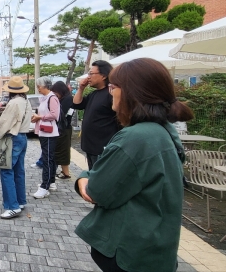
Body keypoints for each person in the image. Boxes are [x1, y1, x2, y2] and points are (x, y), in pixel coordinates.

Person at [75, 58, 193, 272]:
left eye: (114, 87)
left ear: (131, 92)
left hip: (130, 252)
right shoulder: (164, 130)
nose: (111, 92)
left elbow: (98, 191)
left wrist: (83, 177)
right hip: (156, 248)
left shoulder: (135, 138)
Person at [73, 60, 121, 170]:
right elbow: (77, 104)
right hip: (90, 147)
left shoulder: (111, 94)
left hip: (103, 148)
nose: (88, 77)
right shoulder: (93, 94)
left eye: (91, 73)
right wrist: (81, 88)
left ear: (103, 76)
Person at [0, 76, 32, 219]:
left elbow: (5, 123)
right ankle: (20, 201)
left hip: (12, 138)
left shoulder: (13, 103)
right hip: (23, 136)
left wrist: (0, 134)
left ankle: (12, 206)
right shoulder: (26, 101)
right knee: (19, 170)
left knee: (6, 170)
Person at [31, 77, 60, 199]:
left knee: (47, 159)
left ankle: (45, 186)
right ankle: (51, 182)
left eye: (39, 86)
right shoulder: (45, 98)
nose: (38, 88)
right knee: (50, 158)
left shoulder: (52, 98)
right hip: (45, 131)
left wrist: (40, 117)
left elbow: (54, 114)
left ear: (45, 86)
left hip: (49, 133)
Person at [51, 81, 74, 179]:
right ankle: (65, 172)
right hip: (63, 128)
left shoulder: (68, 99)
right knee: (63, 150)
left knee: (62, 151)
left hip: (64, 128)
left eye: (55, 92)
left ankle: (66, 173)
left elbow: (60, 113)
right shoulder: (66, 98)